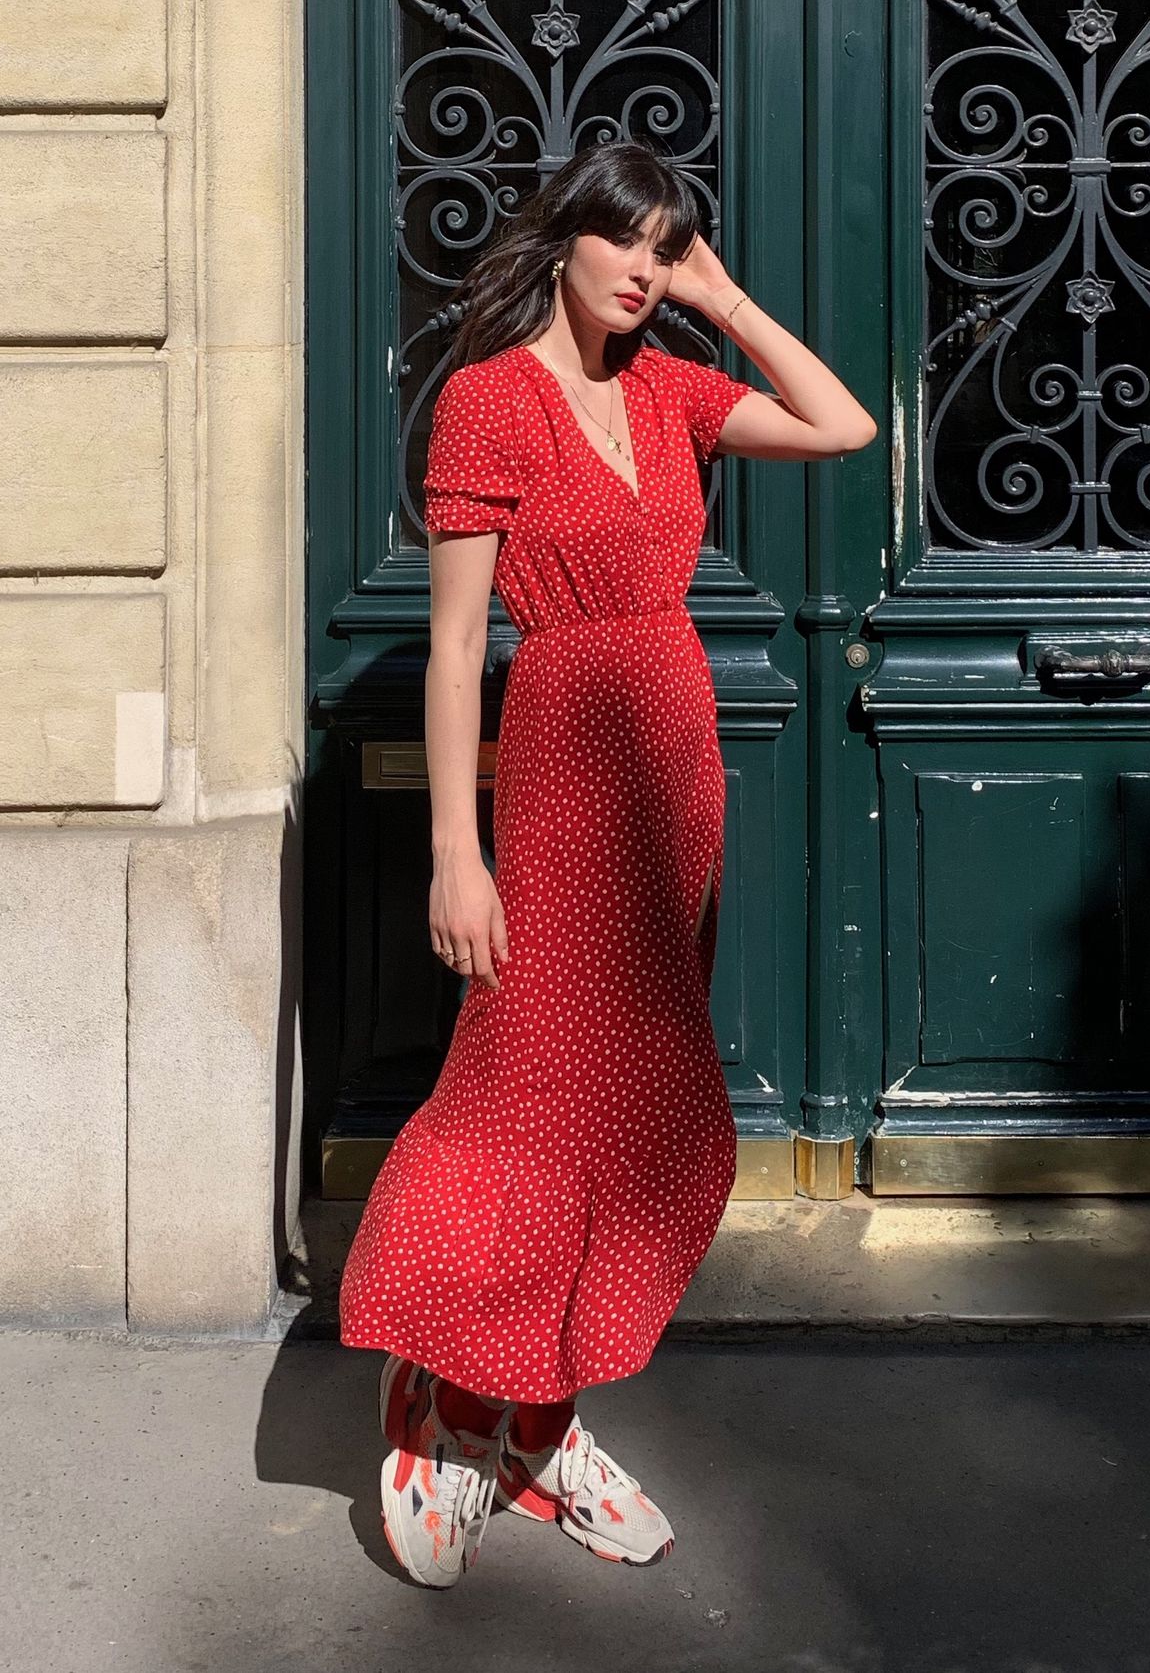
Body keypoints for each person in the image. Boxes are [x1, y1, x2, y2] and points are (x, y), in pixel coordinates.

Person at [337, 137, 877, 1586]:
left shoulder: (672, 387)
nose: (643, 268)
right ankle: (445, 1405)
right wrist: (459, 850)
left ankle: (541, 1414)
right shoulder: (487, 401)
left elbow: (846, 429)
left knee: (637, 1102)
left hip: (674, 767)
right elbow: (456, 646)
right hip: (568, 753)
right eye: (625, 242)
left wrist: (727, 298)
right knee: (519, 1086)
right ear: (560, 240)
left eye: (666, 245)